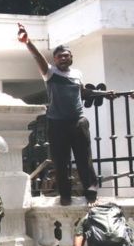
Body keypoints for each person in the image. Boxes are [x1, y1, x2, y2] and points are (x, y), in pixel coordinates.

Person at [18, 23, 98, 206]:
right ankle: (65, 196)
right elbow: (37, 57)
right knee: (61, 162)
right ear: (54, 59)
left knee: (84, 160)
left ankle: (91, 193)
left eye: (66, 56)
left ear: (71, 58)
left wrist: (107, 94)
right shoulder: (49, 73)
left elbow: (83, 91)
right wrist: (27, 42)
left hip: (78, 122)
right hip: (57, 124)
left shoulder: (77, 74)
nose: (63, 58)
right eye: (60, 56)